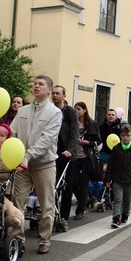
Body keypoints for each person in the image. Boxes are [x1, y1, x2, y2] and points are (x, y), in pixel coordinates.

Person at [10, 75, 62, 254]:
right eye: (35, 84)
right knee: (17, 202)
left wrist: (28, 156)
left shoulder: (55, 113)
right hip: (22, 166)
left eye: (41, 84)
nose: (36, 86)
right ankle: (18, 238)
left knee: (46, 204)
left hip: (44, 164)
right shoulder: (22, 111)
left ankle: (44, 239)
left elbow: (47, 140)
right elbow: (12, 132)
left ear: (49, 90)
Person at [51, 85, 79, 232]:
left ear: (64, 95)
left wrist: (70, 150)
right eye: (53, 93)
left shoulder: (70, 112)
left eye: (57, 93)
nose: (54, 96)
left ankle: (64, 218)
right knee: (52, 186)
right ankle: (51, 215)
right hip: (52, 153)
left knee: (66, 188)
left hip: (67, 154)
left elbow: (75, 133)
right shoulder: (49, 109)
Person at [105, 124, 131, 228]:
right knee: (118, 199)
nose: (125, 137)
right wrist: (108, 178)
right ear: (120, 136)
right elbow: (111, 164)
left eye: (128, 135)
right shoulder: (116, 149)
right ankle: (116, 218)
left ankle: (125, 214)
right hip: (117, 179)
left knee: (127, 200)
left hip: (129, 180)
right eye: (123, 135)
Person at [71, 101, 101, 220]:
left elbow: (98, 141)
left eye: (78, 109)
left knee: (83, 183)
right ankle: (83, 199)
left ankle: (80, 210)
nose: (76, 111)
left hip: (86, 157)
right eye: (75, 109)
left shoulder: (91, 124)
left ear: (84, 110)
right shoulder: (72, 123)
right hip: (74, 156)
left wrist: (88, 142)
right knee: (72, 182)